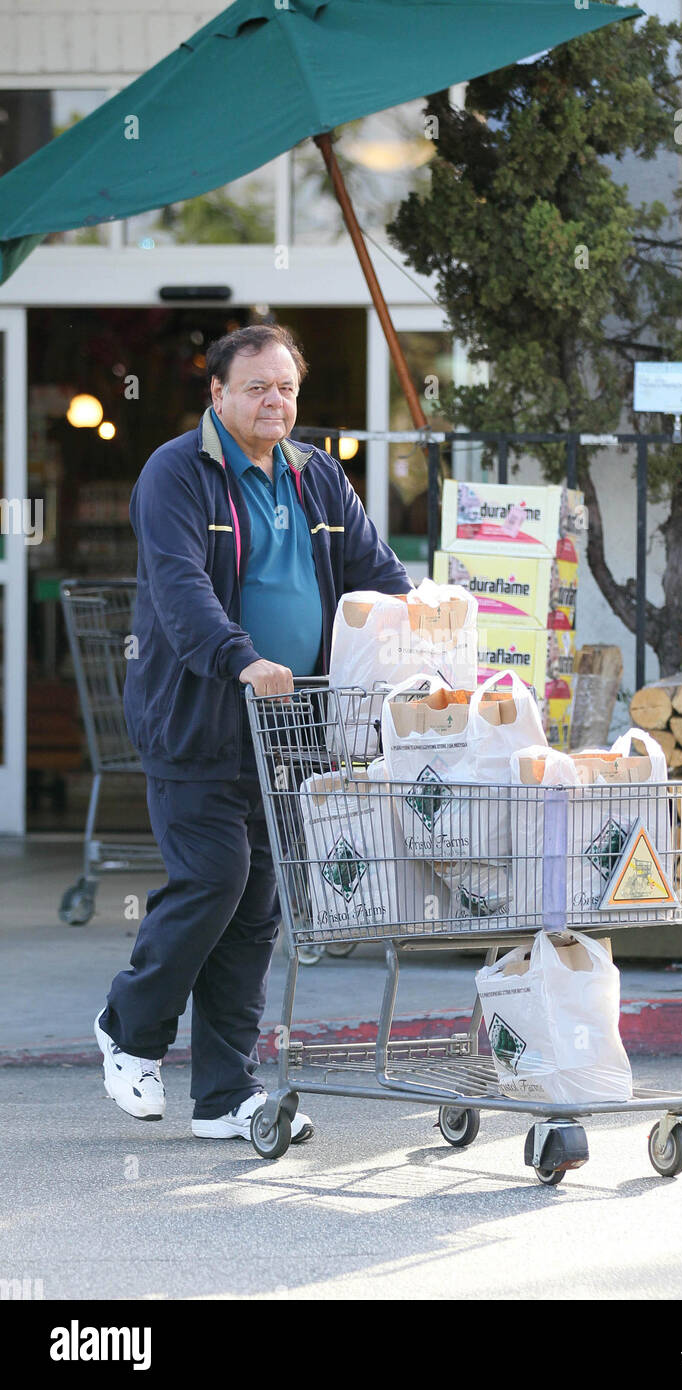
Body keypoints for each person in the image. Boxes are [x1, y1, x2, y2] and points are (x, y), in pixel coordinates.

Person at [95, 323, 412, 1141]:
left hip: (293, 725)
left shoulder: (317, 477)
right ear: (219, 394)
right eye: (258, 388)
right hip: (199, 717)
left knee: (256, 907)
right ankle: (129, 1028)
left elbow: (378, 577)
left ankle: (224, 1096)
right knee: (214, 878)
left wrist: (423, 631)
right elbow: (180, 587)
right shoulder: (177, 472)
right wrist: (240, 658)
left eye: (287, 389)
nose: (276, 403)